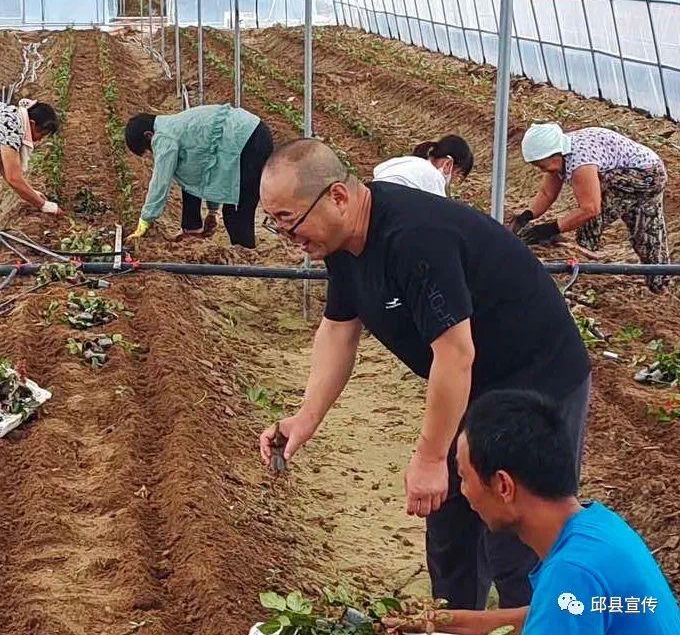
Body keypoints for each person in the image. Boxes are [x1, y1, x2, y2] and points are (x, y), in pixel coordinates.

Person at [257, 139, 591, 611]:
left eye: (289, 220)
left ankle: (544, 620)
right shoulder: (342, 241)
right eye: (275, 222)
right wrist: (305, 419)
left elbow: (455, 355)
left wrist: (432, 457)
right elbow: (338, 330)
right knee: (451, 525)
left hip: (536, 379)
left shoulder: (413, 238)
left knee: (516, 533)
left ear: (337, 197)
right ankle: (453, 619)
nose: (286, 234)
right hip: (473, 385)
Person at [384, 390, 680, 634]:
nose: (461, 491)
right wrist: (436, 625)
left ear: (503, 486)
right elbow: (548, 612)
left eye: (463, 477)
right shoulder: (599, 526)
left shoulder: (571, 573)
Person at [509, 122, 670, 292]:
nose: (542, 170)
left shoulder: (581, 162)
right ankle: (660, 285)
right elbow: (546, 194)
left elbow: (590, 208)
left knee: (589, 221)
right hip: (642, 174)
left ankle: (586, 256)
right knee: (645, 234)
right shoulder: (561, 155)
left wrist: (549, 229)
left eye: (542, 165)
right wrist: (526, 216)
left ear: (554, 154)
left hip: (645, 176)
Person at [124, 104, 273, 247]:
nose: (153, 153)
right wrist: (212, 211)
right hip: (253, 133)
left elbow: (160, 181)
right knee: (193, 184)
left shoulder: (164, 137)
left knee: (236, 212)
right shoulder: (175, 126)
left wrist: (145, 219)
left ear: (149, 135)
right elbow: (209, 172)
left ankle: (246, 262)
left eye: (149, 150)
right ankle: (193, 230)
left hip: (250, 140)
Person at [0, 98, 62, 215]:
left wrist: (31, 193)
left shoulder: (11, 116)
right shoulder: (12, 128)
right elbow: (13, 178)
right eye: (41, 134)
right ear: (32, 124)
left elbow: (4, 166)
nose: (39, 139)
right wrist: (45, 205)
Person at [372, 134, 473, 197]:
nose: (453, 179)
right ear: (448, 164)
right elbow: (440, 216)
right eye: (457, 173)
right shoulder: (433, 177)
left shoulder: (404, 162)